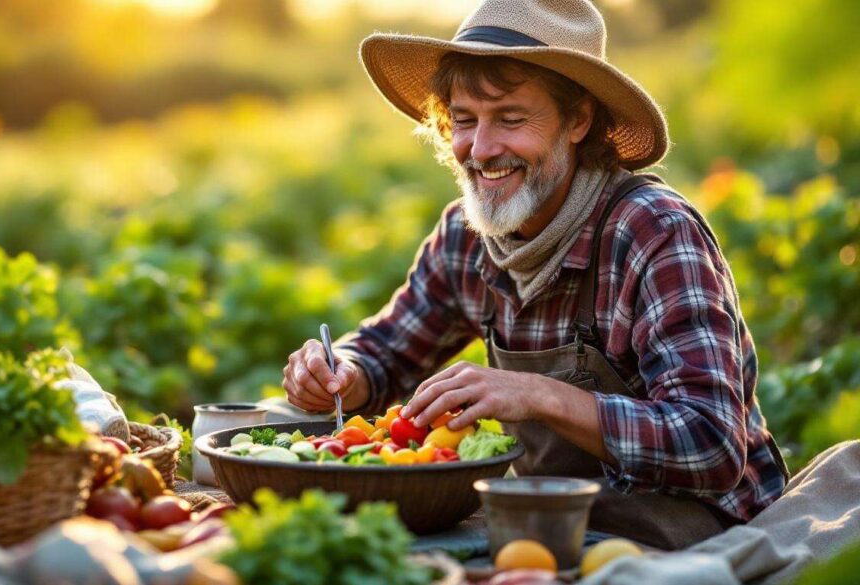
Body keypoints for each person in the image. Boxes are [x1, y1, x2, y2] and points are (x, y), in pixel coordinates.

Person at [281, 0, 788, 549]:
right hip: (555, 524)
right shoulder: (465, 236)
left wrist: (538, 395)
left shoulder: (652, 231)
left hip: (702, 534)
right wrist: (343, 371)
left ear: (578, 120)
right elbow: (385, 352)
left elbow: (710, 445)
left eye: (511, 119)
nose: (480, 149)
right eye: (465, 120)